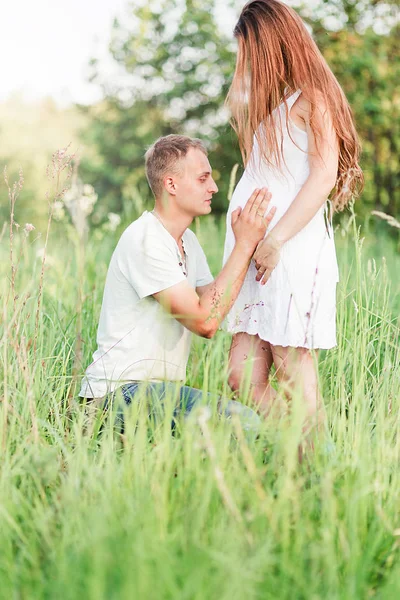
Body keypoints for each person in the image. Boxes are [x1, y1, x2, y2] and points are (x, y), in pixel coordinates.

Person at [223, 0, 363, 429]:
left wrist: (275, 239)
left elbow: (322, 177)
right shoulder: (282, 103)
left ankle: (315, 464)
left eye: (250, 50)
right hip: (257, 257)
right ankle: (296, 450)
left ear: (272, 44)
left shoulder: (314, 98)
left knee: (290, 367)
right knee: (241, 376)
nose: (245, 62)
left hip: (287, 250)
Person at [79, 134, 276, 433]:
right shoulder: (146, 239)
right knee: (242, 422)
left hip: (153, 392)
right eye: (202, 179)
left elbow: (213, 299)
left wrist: (255, 246)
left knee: (239, 425)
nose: (213, 187)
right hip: (116, 396)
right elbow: (205, 322)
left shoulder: (187, 240)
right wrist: (243, 244)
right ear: (171, 184)